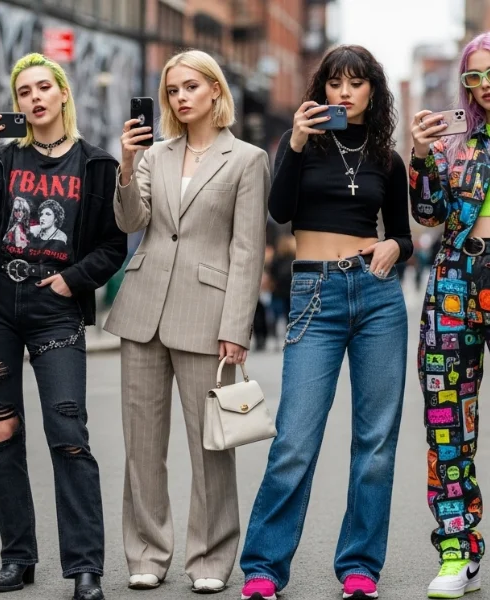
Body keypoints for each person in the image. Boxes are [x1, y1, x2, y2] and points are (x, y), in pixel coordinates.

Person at [239, 45, 411, 600]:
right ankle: (264, 567)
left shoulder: (388, 159)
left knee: (376, 442)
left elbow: (405, 236)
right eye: (335, 82)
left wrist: (392, 246)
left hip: (379, 297)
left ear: (372, 93)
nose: (344, 92)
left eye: (356, 83)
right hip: (316, 292)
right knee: (295, 437)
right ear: (322, 90)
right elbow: (280, 210)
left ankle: (360, 566)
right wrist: (291, 141)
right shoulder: (303, 146)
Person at [0, 52, 127, 600]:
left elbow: (112, 246)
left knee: (67, 430)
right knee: (3, 430)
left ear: (61, 95)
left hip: (55, 307)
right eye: (23, 92)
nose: (33, 99)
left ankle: (85, 568)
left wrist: (69, 282)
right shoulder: (4, 159)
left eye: (42, 88)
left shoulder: (96, 164)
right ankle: (17, 558)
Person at [105, 49, 269, 595]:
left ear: (215, 92)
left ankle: (211, 559)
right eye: (173, 89)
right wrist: (127, 163)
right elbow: (132, 220)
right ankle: (147, 552)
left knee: (211, 448)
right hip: (143, 309)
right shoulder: (154, 155)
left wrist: (237, 326)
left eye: (191, 86)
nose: (180, 96)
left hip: (208, 314)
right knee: (142, 446)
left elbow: (247, 248)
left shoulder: (246, 159)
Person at [409, 31, 490, 600]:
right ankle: (458, 548)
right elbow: (428, 213)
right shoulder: (456, 139)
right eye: (473, 77)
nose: (484, 86)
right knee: (447, 424)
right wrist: (419, 155)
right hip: (458, 282)